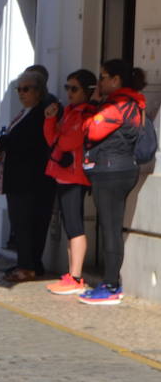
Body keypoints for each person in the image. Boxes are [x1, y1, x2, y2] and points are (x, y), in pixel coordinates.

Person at [79, 60, 150, 305]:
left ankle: (111, 285)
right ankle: (110, 282)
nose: (99, 82)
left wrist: (92, 107)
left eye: (103, 77)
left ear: (116, 80)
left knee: (110, 228)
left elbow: (90, 130)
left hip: (112, 171)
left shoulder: (119, 105)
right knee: (110, 227)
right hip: (118, 169)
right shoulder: (132, 103)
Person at [43, 70, 98, 296]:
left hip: (75, 177)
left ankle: (76, 277)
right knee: (70, 227)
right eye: (67, 87)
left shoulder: (86, 114)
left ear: (87, 91)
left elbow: (67, 142)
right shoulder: (69, 112)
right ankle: (71, 274)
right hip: (63, 175)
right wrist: (49, 119)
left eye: (74, 88)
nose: (69, 93)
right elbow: (52, 138)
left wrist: (56, 136)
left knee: (75, 227)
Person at [0, 68, 55, 282]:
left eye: (26, 89)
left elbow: (27, 143)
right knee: (23, 224)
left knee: (27, 224)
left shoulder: (41, 113)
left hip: (32, 180)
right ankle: (30, 264)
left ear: (38, 91)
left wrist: (3, 142)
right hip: (22, 180)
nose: (21, 93)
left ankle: (28, 266)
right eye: (19, 89)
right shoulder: (26, 113)